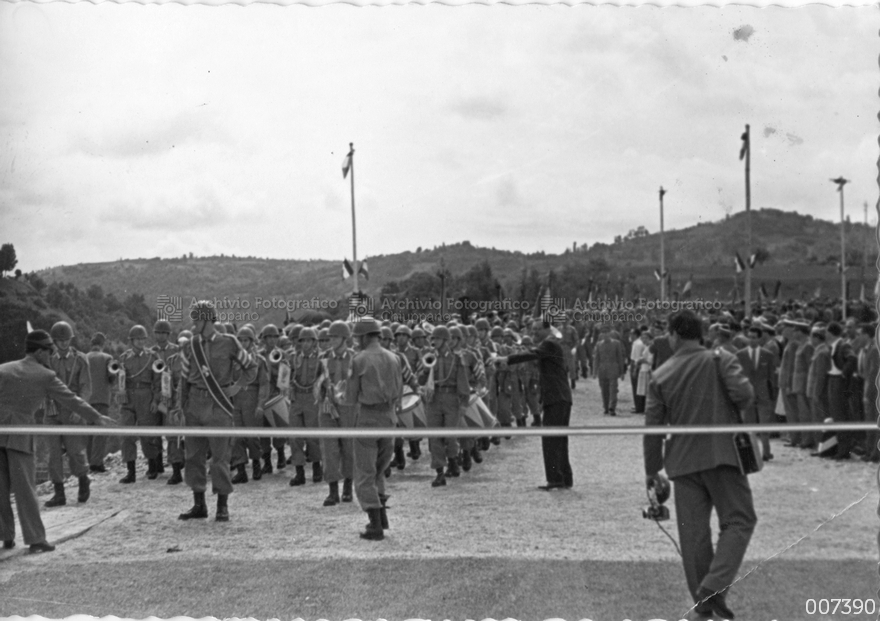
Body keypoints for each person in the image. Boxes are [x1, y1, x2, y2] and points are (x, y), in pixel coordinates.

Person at [644, 310, 756, 621]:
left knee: (692, 534)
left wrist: (652, 472)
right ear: (699, 333)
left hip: (682, 461)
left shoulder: (661, 374)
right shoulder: (720, 359)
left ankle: (703, 607)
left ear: (674, 335)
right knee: (739, 520)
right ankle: (713, 590)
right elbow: (745, 396)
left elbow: (653, 428)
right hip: (723, 455)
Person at [0, 330, 115, 553]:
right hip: (20, 434)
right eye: (49, 351)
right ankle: (35, 539)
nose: (51, 355)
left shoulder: (4, 369)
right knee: (25, 489)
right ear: (40, 351)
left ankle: (6, 536)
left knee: (0, 488)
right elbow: (72, 400)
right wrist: (97, 417)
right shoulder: (45, 375)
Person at [176, 301, 256, 522]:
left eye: (197, 319)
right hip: (194, 404)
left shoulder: (229, 343)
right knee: (193, 456)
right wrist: (181, 409)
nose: (194, 324)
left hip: (218, 405)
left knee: (220, 457)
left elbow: (251, 366)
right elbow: (183, 380)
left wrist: (238, 385)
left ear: (208, 320)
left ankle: (222, 505)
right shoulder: (189, 346)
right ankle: (199, 504)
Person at [344, 317, 402, 541]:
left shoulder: (359, 359)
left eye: (358, 337)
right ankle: (382, 517)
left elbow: (350, 397)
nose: (357, 341)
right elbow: (399, 389)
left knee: (365, 472)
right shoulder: (394, 358)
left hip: (368, 417)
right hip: (389, 417)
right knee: (379, 469)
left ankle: (375, 524)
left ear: (365, 337)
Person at [498, 321, 573, 490]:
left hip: (556, 398)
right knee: (559, 440)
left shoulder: (549, 343)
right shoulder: (552, 343)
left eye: (538, 329)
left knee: (550, 441)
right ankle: (564, 478)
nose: (535, 333)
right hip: (560, 397)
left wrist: (508, 359)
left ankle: (555, 478)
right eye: (533, 330)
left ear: (548, 329)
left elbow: (532, 354)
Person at [44, 321, 93, 507]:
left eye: (66, 340)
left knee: (75, 450)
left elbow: (86, 386)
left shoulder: (80, 359)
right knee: (53, 452)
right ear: (54, 341)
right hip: (52, 409)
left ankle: (83, 480)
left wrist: (80, 409)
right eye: (59, 340)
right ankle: (59, 493)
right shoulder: (48, 359)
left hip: (72, 408)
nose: (63, 344)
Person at [117, 325, 163, 484]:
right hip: (128, 397)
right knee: (127, 433)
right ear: (131, 341)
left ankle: (152, 466)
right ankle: (131, 471)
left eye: (143, 339)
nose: (141, 342)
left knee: (147, 434)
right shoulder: (124, 358)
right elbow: (120, 378)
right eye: (138, 339)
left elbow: (158, 382)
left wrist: (156, 400)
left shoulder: (152, 357)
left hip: (146, 396)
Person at [735, 325, 778, 459]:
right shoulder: (740, 355)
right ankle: (752, 453)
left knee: (764, 424)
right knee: (749, 423)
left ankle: (766, 452)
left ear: (760, 339)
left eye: (754, 337)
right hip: (747, 393)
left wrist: (773, 394)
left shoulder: (768, 355)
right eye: (750, 337)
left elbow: (772, 376)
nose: (752, 340)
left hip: (763, 393)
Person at [85, 332, 115, 474]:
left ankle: (89, 461)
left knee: (89, 432)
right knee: (100, 432)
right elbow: (111, 377)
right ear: (102, 344)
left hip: (85, 400)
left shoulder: (83, 357)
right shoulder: (107, 358)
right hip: (102, 399)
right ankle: (97, 463)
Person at [593, 327, 626, 415]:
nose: (605, 335)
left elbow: (620, 358)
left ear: (610, 333)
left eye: (607, 333)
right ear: (601, 335)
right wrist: (594, 371)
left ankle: (612, 407)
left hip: (613, 368)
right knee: (604, 389)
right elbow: (596, 358)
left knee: (613, 389)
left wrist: (622, 372)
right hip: (602, 369)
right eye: (603, 333)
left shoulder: (616, 343)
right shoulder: (599, 344)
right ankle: (606, 407)